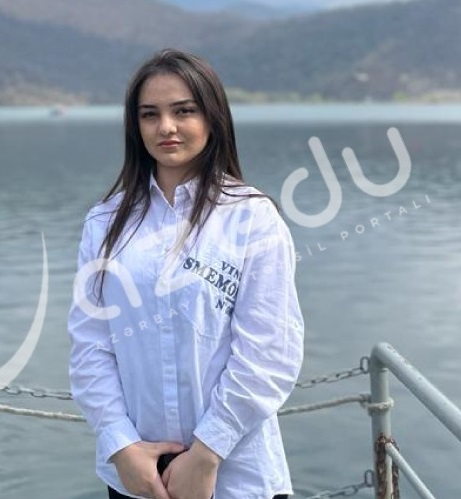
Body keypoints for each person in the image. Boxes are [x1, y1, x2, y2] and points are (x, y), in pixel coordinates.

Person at [68, 48, 304, 499]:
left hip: (237, 474)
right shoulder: (104, 223)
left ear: (213, 117)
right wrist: (121, 445)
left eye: (183, 111)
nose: (166, 127)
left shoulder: (252, 218)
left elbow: (270, 351)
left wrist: (208, 451)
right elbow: (90, 347)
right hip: (137, 476)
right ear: (135, 126)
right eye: (149, 114)